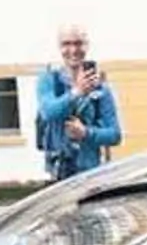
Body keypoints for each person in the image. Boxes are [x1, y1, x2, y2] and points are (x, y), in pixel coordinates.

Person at [35, 24, 123, 180]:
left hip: (91, 175)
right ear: (59, 47)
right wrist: (76, 92)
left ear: (86, 46)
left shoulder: (101, 90)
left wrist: (86, 133)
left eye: (78, 43)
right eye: (66, 44)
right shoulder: (49, 80)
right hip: (59, 174)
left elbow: (115, 135)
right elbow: (48, 112)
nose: (73, 50)